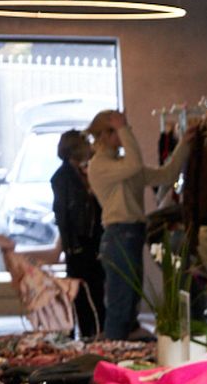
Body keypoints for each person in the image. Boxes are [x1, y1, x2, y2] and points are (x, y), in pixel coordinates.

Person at [84, 110, 190, 339]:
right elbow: (135, 164)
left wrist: (184, 143)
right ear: (107, 134)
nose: (126, 133)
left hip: (130, 234)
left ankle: (120, 359)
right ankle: (113, 360)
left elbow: (166, 175)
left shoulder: (120, 166)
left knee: (129, 302)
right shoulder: (99, 165)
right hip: (119, 235)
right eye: (121, 129)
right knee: (120, 307)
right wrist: (123, 129)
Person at [49, 130, 105, 338]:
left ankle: (94, 332)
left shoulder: (81, 174)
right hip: (80, 244)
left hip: (88, 242)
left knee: (95, 290)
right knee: (84, 291)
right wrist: (71, 246)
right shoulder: (63, 178)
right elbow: (64, 215)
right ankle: (89, 333)